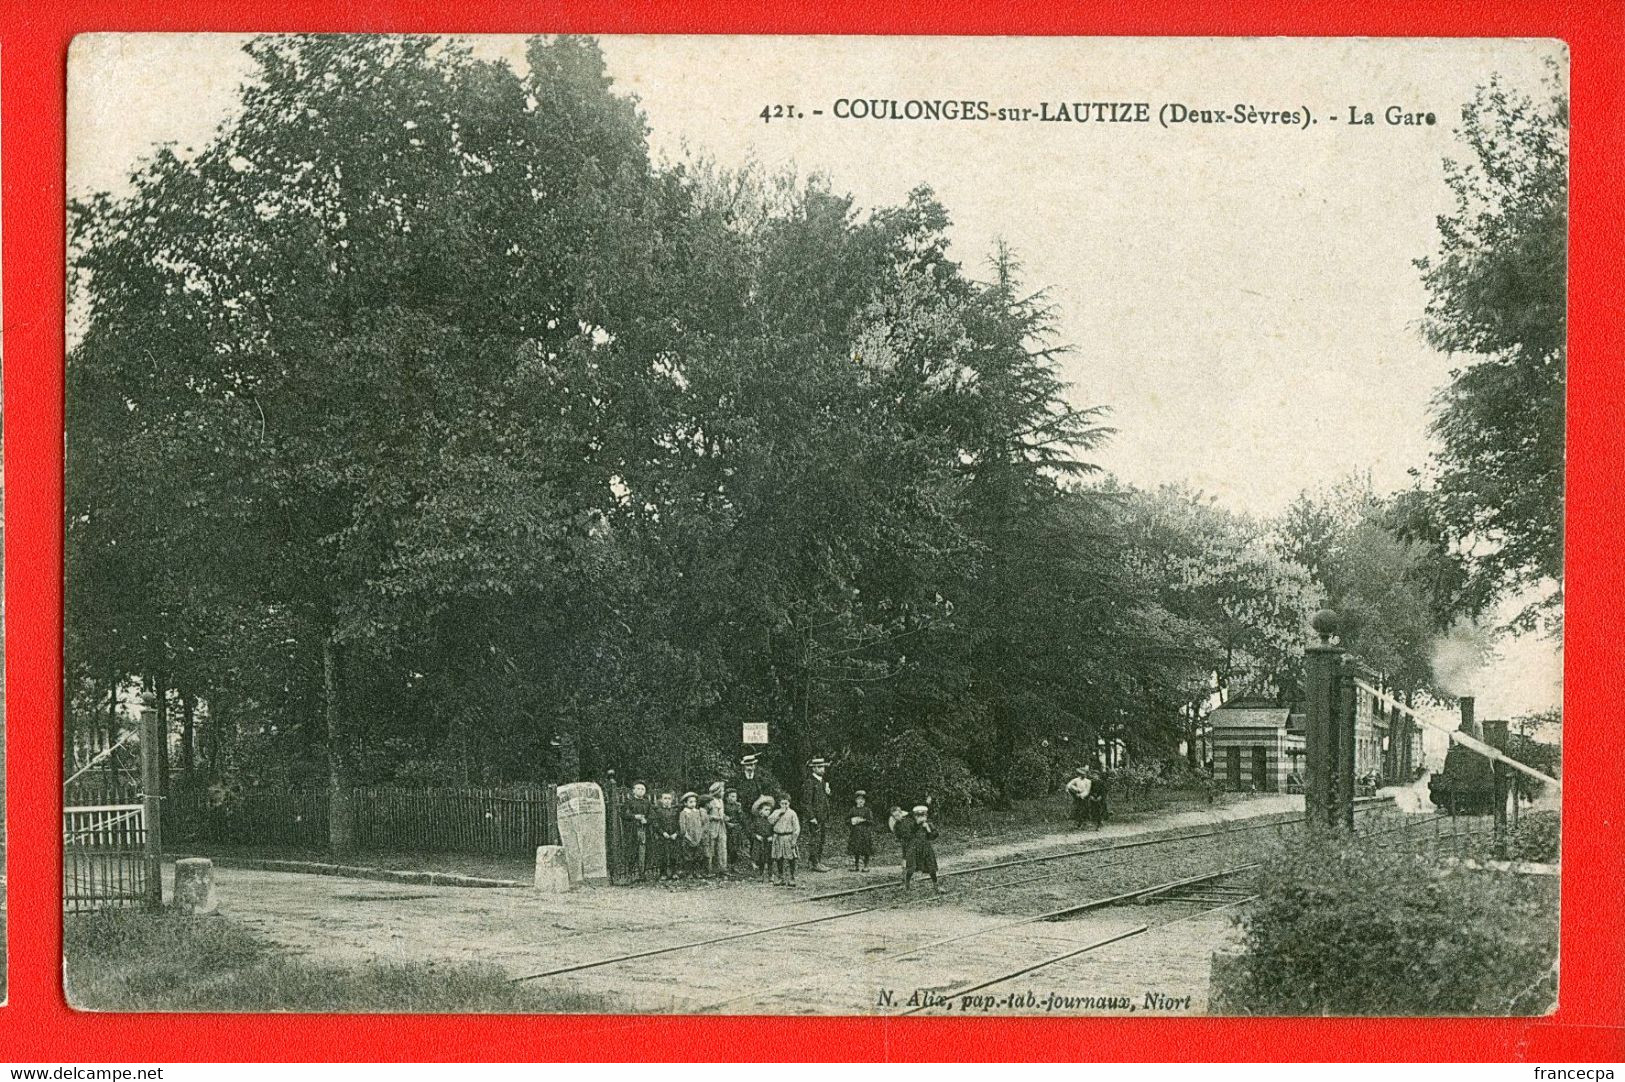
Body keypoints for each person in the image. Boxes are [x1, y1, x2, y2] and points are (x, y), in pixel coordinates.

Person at [802, 756, 833, 871]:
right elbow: (806, 802)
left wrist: (828, 793)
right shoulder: (810, 782)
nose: (822, 770)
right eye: (820, 767)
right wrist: (811, 817)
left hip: (823, 816)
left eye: (823, 767)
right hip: (815, 817)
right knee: (815, 839)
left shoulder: (822, 782)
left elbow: (823, 799)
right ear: (813, 768)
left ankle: (815, 861)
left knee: (821, 839)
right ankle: (815, 863)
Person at [903, 804, 940, 892]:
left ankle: (936, 886)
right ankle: (907, 885)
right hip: (914, 848)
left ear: (926, 816)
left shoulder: (929, 824)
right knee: (911, 868)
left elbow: (934, 836)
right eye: (918, 816)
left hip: (926, 848)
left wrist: (928, 829)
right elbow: (907, 835)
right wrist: (917, 825)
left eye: (923, 815)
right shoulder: (911, 824)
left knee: (931, 867)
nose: (921, 818)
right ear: (915, 816)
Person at [621, 780, 652, 880]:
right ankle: (630, 874)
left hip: (643, 830)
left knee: (643, 851)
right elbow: (624, 814)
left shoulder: (647, 803)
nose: (640, 791)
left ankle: (641, 873)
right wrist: (635, 816)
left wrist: (646, 820)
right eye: (638, 788)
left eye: (643, 789)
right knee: (632, 851)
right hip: (632, 830)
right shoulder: (629, 802)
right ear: (633, 790)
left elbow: (652, 816)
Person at [768, 791, 801, 886]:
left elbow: (797, 827)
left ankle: (791, 877)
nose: (784, 805)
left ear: (789, 803)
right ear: (779, 803)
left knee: (791, 858)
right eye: (782, 803)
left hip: (788, 837)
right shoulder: (776, 812)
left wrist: (794, 839)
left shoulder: (792, 813)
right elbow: (770, 821)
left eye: (786, 803)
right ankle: (780, 877)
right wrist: (778, 814)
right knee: (779, 858)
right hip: (778, 837)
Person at [650, 791, 681, 882]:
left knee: (674, 854)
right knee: (662, 854)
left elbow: (679, 823)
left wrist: (676, 833)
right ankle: (663, 873)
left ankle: (674, 872)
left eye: (669, 799)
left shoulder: (675, 811)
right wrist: (663, 833)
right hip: (663, 836)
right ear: (661, 800)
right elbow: (656, 824)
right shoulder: (658, 811)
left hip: (674, 836)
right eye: (665, 799)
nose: (667, 801)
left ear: (672, 800)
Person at [702, 781, 729, 877]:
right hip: (711, 827)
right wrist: (714, 817)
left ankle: (722, 868)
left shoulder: (721, 801)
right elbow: (704, 815)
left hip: (721, 826)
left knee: (722, 847)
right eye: (722, 791)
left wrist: (724, 817)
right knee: (710, 847)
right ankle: (709, 869)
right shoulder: (710, 802)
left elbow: (722, 813)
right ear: (716, 792)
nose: (723, 793)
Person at [678, 791, 707, 879]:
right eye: (690, 802)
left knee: (698, 856)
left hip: (697, 837)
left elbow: (701, 824)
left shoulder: (697, 812)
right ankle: (689, 873)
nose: (693, 804)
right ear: (685, 803)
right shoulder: (684, 813)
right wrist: (687, 837)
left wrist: (700, 836)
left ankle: (697, 872)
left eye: (694, 802)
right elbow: (683, 826)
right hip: (688, 837)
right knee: (688, 856)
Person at [846, 790, 876, 871]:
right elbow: (847, 820)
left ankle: (866, 865)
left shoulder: (867, 810)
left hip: (865, 832)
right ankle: (856, 865)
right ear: (856, 800)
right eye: (859, 799)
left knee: (866, 849)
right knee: (856, 848)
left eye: (862, 799)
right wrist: (852, 820)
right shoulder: (853, 810)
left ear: (865, 801)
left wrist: (863, 820)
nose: (861, 801)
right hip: (855, 832)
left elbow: (872, 821)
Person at [749, 794, 776, 878]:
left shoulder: (771, 820)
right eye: (766, 810)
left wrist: (772, 837)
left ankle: (770, 875)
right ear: (760, 811)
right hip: (759, 842)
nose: (768, 811)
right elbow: (751, 831)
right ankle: (760, 874)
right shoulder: (756, 821)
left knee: (770, 859)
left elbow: (774, 830)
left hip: (768, 842)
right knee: (761, 859)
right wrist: (756, 836)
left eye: (769, 810)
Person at [724, 788, 747, 868]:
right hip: (727, 828)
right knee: (728, 845)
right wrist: (727, 823)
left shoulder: (738, 806)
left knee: (736, 846)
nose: (733, 798)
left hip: (736, 828)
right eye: (732, 796)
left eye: (735, 797)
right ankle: (727, 864)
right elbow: (723, 817)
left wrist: (740, 811)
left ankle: (734, 865)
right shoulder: (724, 806)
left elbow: (741, 819)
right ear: (727, 797)